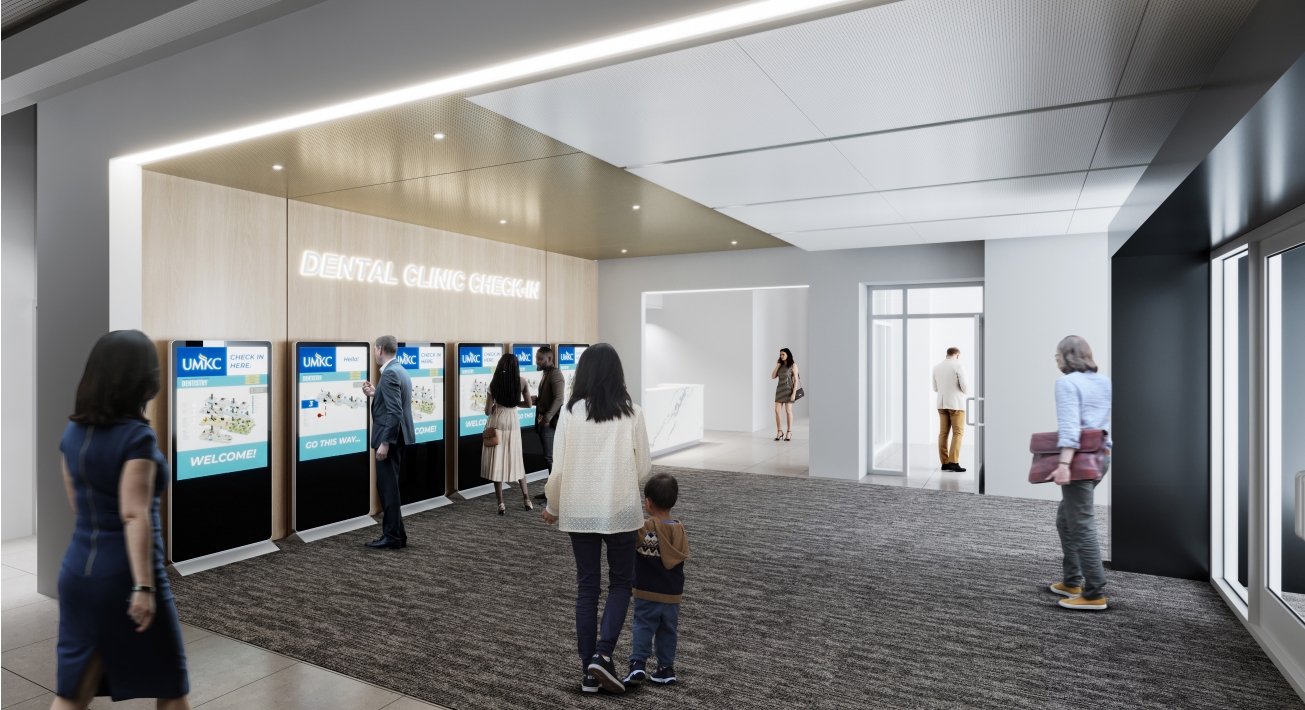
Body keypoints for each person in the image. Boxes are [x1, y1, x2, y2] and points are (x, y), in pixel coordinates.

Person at [54, 330, 191, 710]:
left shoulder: (72, 432)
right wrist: (144, 588)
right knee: (171, 684)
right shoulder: (137, 438)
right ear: (142, 380)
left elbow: (79, 506)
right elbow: (133, 515)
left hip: (78, 570)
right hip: (126, 577)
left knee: (73, 693)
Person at [541, 343, 652, 694]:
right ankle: (602, 656)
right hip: (620, 508)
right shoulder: (632, 411)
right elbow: (644, 466)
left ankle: (589, 670)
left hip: (579, 509)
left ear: (584, 373)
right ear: (617, 373)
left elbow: (558, 466)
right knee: (621, 584)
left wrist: (553, 505)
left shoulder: (572, 412)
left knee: (587, 587)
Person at [1048, 335, 1112, 611]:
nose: (1056, 359)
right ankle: (1072, 580)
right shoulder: (1104, 381)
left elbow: (1070, 426)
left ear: (1067, 356)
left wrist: (1063, 464)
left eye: (1057, 355)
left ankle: (1094, 592)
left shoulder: (1066, 383)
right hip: (1102, 457)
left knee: (1081, 523)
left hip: (1079, 462)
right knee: (1066, 518)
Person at [624, 473, 689, 687]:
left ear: (648, 502)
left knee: (643, 625)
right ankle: (665, 668)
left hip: (646, 591)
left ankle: (638, 664)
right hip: (672, 593)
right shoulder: (679, 529)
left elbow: (626, 531)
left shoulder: (644, 528)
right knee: (668, 629)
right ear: (675, 501)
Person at [361, 335, 415, 549]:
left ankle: (392, 536)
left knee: (387, 488)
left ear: (380, 349)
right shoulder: (399, 370)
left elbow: (394, 412)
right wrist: (377, 393)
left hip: (390, 439)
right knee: (389, 486)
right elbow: (396, 402)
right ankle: (398, 534)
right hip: (399, 437)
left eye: (375, 349)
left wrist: (385, 443)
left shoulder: (391, 373)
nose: (375, 352)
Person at [481, 353, 532, 514]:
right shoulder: (522, 381)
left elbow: (488, 411)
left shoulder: (494, 383)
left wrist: (496, 406)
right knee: (516, 458)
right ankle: (526, 499)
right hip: (513, 421)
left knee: (498, 461)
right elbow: (529, 404)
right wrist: (515, 403)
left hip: (497, 421)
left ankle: (501, 504)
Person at [532, 345, 566, 502]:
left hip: (550, 424)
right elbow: (550, 399)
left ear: (549, 359)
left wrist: (546, 418)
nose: (536, 361)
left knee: (551, 458)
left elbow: (559, 399)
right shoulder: (547, 374)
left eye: (540, 359)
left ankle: (555, 495)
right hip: (545, 421)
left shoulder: (555, 373)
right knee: (549, 458)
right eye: (536, 358)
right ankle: (551, 492)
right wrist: (536, 401)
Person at [932, 347, 970, 472]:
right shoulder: (958, 367)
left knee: (943, 433)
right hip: (956, 405)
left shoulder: (936, 367)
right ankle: (953, 462)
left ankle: (944, 463)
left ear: (947, 354)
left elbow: (935, 388)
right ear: (957, 355)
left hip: (942, 404)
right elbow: (965, 388)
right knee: (958, 432)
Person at [770, 348, 799, 441]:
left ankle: (789, 432)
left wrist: (794, 393)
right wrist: (777, 366)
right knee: (777, 411)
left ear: (787, 355)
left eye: (783, 354)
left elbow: (796, 380)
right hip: (779, 390)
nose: (781, 356)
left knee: (788, 411)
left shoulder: (792, 365)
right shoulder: (780, 365)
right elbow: (773, 376)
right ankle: (779, 431)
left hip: (788, 390)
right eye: (780, 354)